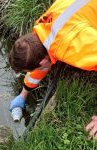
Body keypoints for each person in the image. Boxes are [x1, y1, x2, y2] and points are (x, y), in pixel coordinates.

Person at [9, 0, 97, 139]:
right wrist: (23, 94)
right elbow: (39, 65)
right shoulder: (43, 28)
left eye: (29, 70)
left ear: (43, 61)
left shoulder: (72, 47)